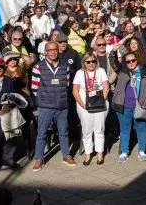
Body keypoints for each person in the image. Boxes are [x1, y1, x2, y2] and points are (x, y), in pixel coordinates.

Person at [31, 41, 75, 171]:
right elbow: (34, 87)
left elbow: (67, 84)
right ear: (46, 52)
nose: (53, 52)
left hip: (62, 105)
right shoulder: (38, 67)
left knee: (64, 132)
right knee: (41, 134)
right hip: (45, 106)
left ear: (58, 50)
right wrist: (44, 99)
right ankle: (39, 158)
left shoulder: (65, 66)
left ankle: (66, 155)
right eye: (49, 50)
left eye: (55, 49)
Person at [110, 51, 146, 162]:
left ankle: (141, 151)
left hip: (140, 105)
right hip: (124, 106)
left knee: (141, 128)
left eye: (133, 60)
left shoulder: (144, 71)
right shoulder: (122, 71)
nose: (131, 63)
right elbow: (113, 62)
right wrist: (114, 51)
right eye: (128, 61)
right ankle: (124, 152)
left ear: (136, 60)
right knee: (125, 129)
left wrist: (143, 96)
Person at [72, 53, 110, 165]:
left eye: (93, 61)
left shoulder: (101, 71)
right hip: (84, 106)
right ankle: (88, 154)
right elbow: (75, 91)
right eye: (88, 61)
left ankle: (99, 154)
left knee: (99, 130)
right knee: (87, 131)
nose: (91, 64)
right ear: (84, 62)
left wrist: (99, 101)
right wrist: (83, 105)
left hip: (100, 105)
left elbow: (106, 87)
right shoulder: (79, 73)